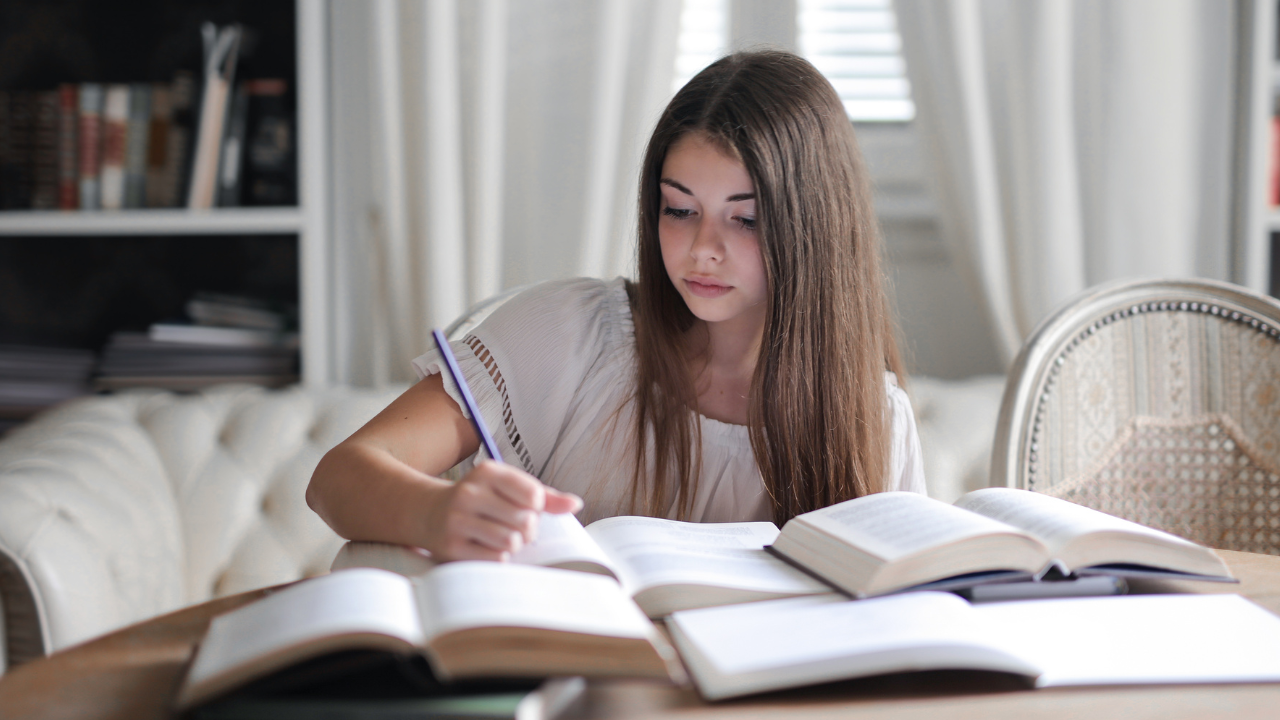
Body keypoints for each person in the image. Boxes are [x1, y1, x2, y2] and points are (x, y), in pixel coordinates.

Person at [306, 49, 926, 563]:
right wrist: (437, 512)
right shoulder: (572, 334)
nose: (702, 250)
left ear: (813, 227)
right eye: (679, 210)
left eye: (745, 220)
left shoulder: (873, 419)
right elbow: (337, 478)